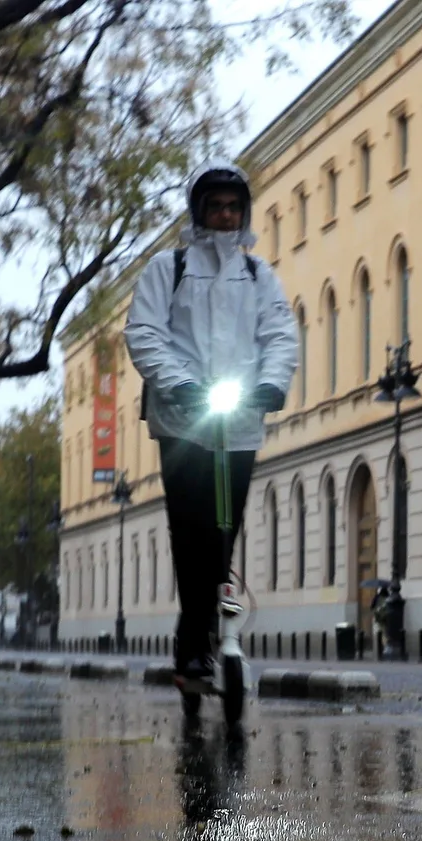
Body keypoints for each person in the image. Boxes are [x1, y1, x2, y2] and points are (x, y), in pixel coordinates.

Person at [123, 161, 298, 686]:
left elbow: (281, 335)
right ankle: (192, 641)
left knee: (225, 530)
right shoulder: (167, 268)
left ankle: (218, 636)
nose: (224, 216)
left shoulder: (257, 275)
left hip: (238, 421)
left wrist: (271, 383)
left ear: (242, 213)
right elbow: (144, 332)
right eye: (215, 206)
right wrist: (177, 383)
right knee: (192, 533)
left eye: (232, 207)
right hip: (183, 422)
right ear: (199, 211)